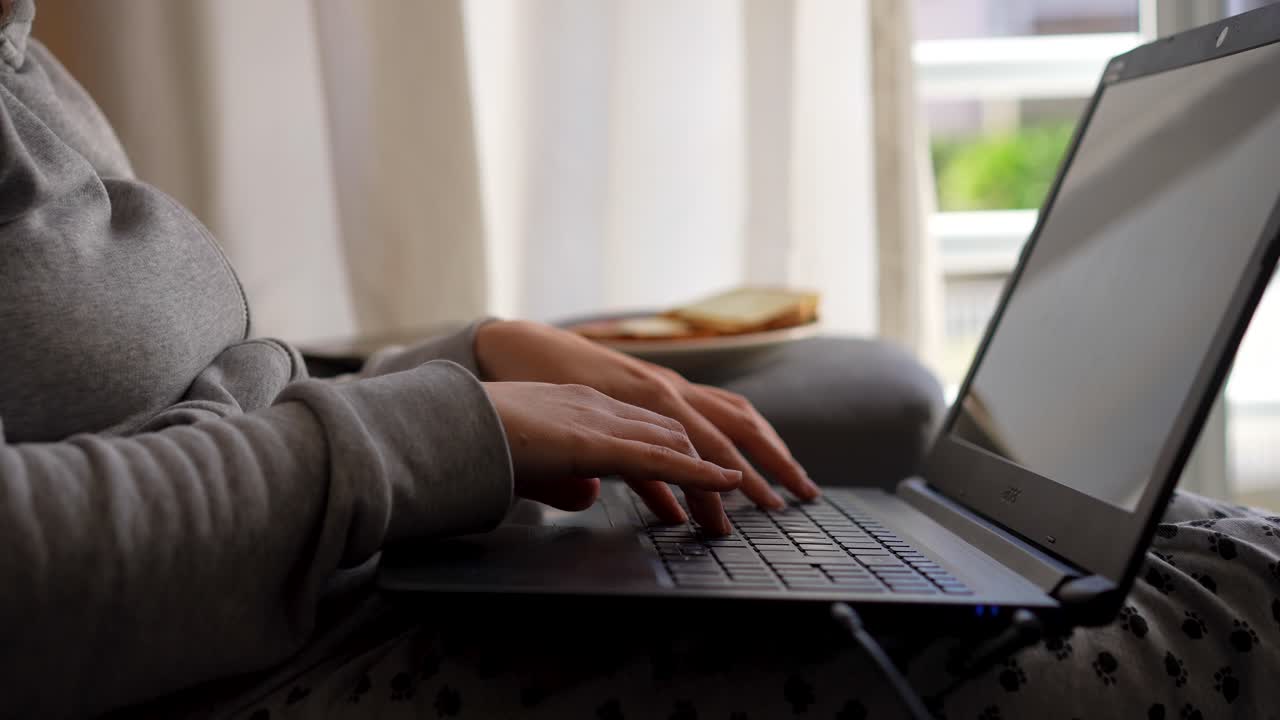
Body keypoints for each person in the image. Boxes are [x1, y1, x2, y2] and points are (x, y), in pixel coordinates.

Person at [3, 3, 1278, 718]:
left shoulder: (28, 59)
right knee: (1214, 610)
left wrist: (469, 358)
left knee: (1190, 547)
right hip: (251, 673)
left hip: (322, 588)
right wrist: (428, 430)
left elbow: (174, 407)